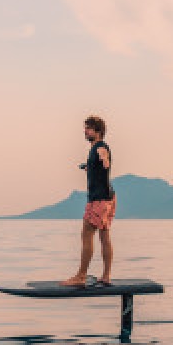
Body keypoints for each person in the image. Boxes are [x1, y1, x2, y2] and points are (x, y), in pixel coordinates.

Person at [63, 116, 116, 287]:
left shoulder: (100, 147)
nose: (85, 131)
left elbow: (103, 155)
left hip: (98, 200)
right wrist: (89, 167)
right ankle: (106, 276)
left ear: (98, 131)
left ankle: (81, 276)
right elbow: (99, 166)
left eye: (88, 128)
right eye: (85, 128)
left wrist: (105, 160)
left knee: (86, 234)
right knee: (104, 235)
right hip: (108, 197)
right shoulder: (94, 149)